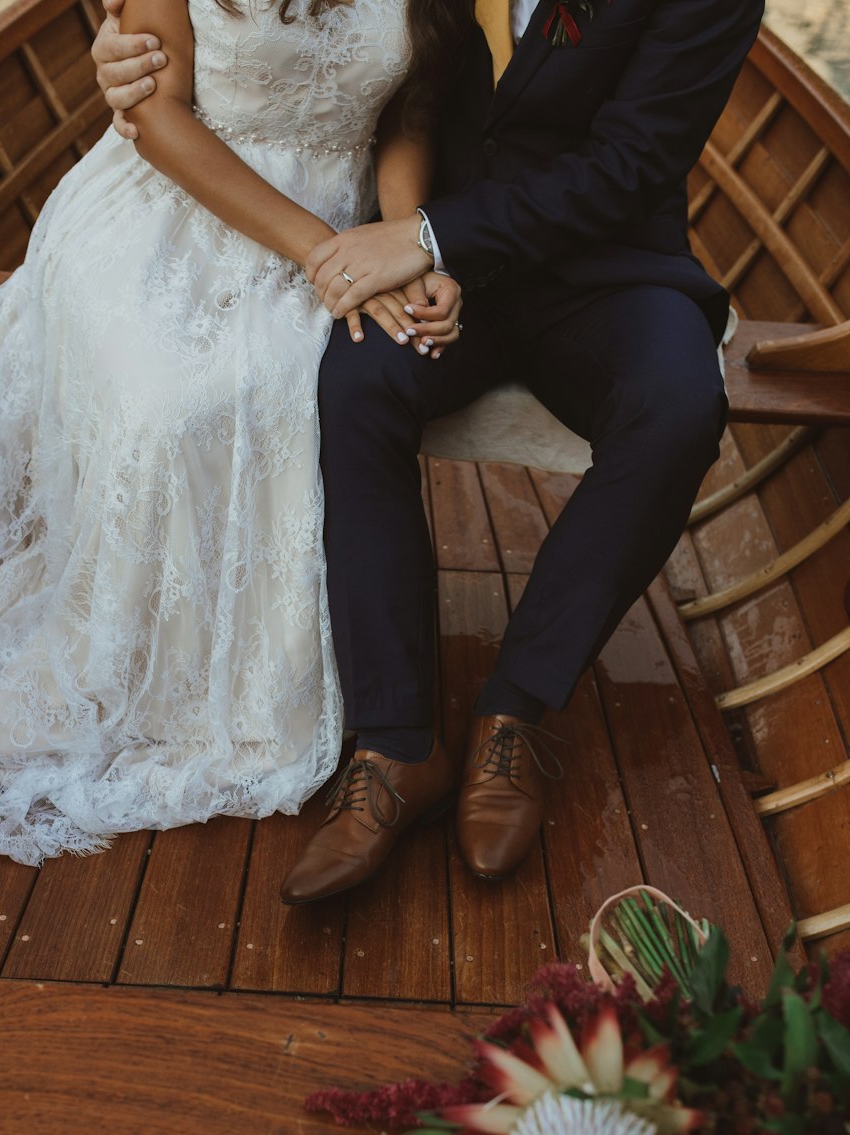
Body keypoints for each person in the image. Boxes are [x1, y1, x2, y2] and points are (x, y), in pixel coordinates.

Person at [96, 0, 765, 905]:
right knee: (355, 383)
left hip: (600, 269)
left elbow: (631, 166)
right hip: (426, 253)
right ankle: (398, 743)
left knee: (680, 409)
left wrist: (424, 238)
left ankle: (516, 710)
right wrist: (114, 42)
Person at [0, 0, 466, 865]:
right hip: (175, 221)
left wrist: (402, 240)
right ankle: (159, 685)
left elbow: (408, 112)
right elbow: (154, 118)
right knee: (170, 411)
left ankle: (317, 683)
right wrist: (319, 254)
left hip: (343, 225)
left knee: (311, 384)